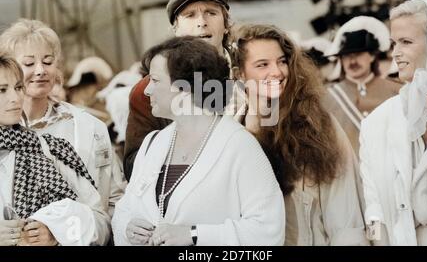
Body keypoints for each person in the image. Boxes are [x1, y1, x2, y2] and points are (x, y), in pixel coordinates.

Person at [112, 36, 285, 246]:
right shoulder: (152, 144)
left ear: (185, 88)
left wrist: (195, 235)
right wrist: (128, 227)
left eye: (155, 81)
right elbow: (123, 211)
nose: (147, 90)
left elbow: (267, 231)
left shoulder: (240, 147)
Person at [230, 24, 367, 246]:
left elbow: (346, 219)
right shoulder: (229, 136)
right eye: (262, 64)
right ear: (240, 75)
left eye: (282, 61)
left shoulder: (319, 126)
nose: (277, 72)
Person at [0, 19, 126, 226]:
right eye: (29, 63)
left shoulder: (90, 126)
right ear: (10, 68)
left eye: (48, 61)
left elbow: (114, 199)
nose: (40, 70)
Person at [123, 0, 243, 181]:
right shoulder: (148, 90)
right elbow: (134, 165)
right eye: (190, 15)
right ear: (176, 28)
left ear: (226, 25)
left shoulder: (251, 76)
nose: (202, 22)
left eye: (211, 13)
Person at [360, 0, 427, 245]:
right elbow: (374, 212)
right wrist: (377, 242)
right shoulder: (376, 124)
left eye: (406, 42)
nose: (396, 53)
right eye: (393, 43)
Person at [0, 56, 110, 246]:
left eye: (18, 88)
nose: (15, 98)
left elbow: (101, 223)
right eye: (2, 90)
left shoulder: (51, 150)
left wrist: (57, 232)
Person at [323, 16, 402, 155]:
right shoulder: (326, 97)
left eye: (358, 54)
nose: (352, 61)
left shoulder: (396, 91)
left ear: (372, 56)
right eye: (346, 56)